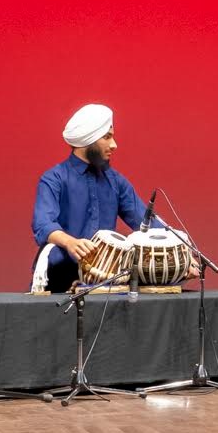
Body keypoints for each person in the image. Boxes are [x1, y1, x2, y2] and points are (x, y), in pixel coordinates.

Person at [31, 103, 152, 293]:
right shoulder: (54, 178)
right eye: (107, 137)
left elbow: (146, 224)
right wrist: (70, 242)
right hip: (58, 280)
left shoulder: (116, 181)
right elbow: (43, 224)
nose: (114, 145)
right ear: (88, 140)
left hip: (102, 281)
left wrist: (183, 254)